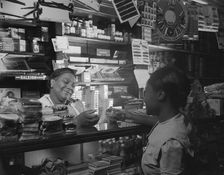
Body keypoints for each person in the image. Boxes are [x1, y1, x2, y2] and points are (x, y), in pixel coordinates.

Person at [141, 66, 194, 175]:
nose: (143, 98)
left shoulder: (171, 142)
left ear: (160, 95)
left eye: (146, 92)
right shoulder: (171, 120)